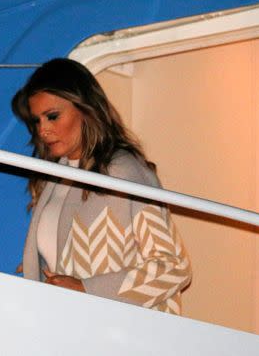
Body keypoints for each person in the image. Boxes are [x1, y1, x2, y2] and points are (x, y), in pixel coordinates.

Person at [12, 58, 191, 314]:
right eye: (37, 121)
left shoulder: (122, 171)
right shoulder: (54, 176)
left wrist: (87, 287)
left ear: (85, 109)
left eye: (52, 116)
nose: (43, 130)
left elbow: (174, 267)